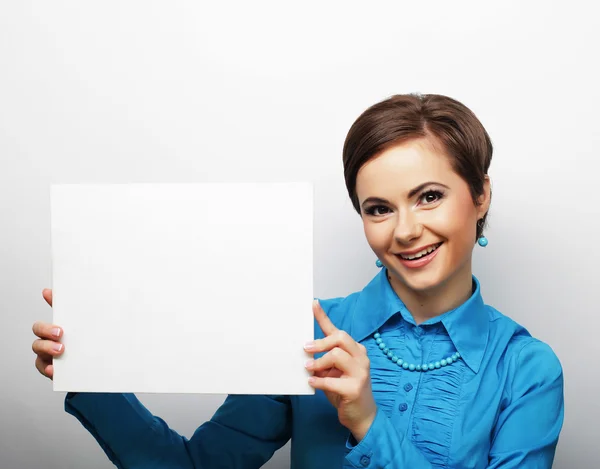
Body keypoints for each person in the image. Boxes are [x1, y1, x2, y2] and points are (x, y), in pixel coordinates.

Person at [32, 93, 564, 468]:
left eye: (429, 196)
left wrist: (367, 422)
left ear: (480, 195)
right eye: (378, 208)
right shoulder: (303, 333)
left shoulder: (528, 370)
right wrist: (87, 369)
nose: (405, 231)